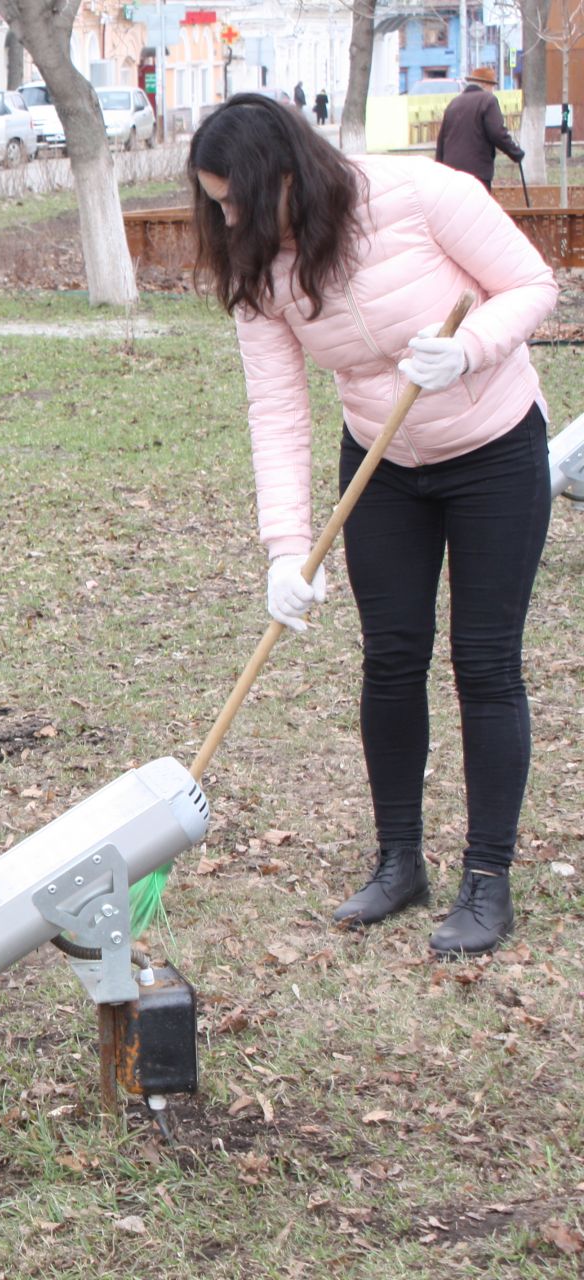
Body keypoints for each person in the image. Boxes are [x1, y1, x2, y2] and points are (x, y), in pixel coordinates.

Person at [189, 94, 556, 956]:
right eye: (217, 204)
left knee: (485, 661)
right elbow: (276, 408)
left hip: (494, 448)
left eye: (236, 198)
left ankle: (486, 879)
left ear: (287, 173)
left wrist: (470, 349)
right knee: (392, 657)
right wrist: (286, 548)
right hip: (384, 466)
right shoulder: (261, 269)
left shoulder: (421, 196)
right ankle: (400, 862)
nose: (228, 217)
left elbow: (533, 283)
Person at [436, 66, 525, 191]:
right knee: (478, 209)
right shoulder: (488, 100)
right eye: (492, 86)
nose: (492, 90)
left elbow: (441, 141)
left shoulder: (454, 103)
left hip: (452, 174)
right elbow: (497, 132)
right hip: (477, 173)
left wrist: (440, 170)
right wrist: (515, 153)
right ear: (484, 84)